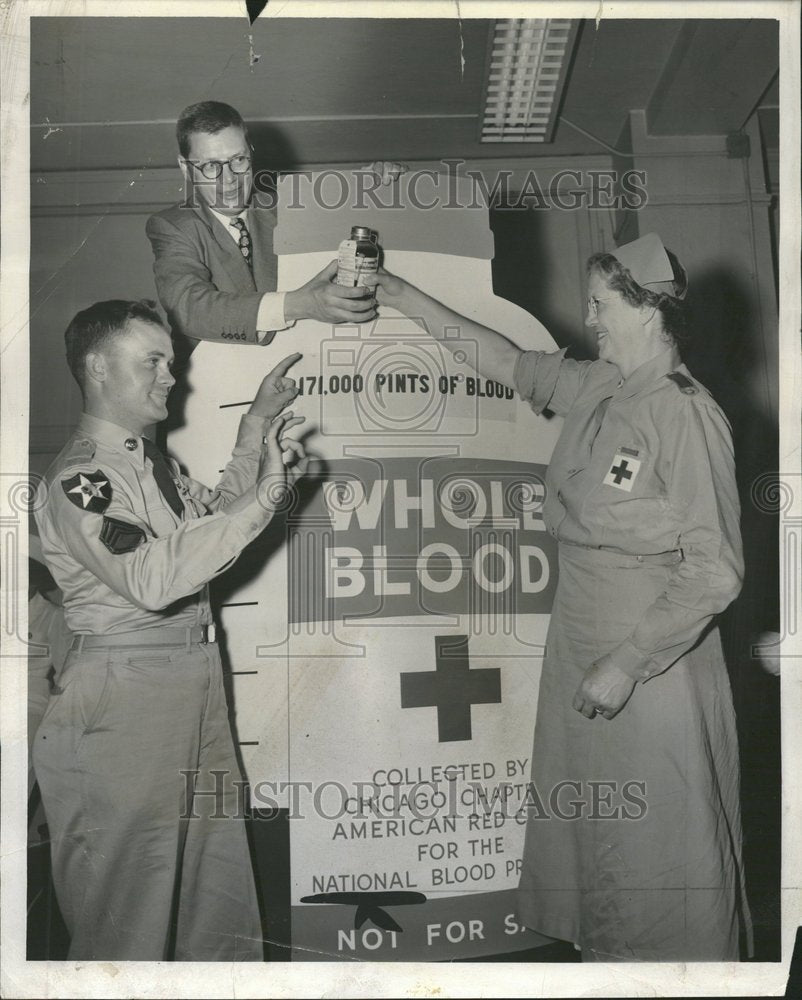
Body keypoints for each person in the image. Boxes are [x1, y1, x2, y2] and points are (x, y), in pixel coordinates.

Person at [370, 232, 752, 961]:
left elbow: (715, 571)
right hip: (580, 635)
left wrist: (628, 662)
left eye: (601, 304)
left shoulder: (684, 413)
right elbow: (506, 362)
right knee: (597, 848)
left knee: (658, 851)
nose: (590, 318)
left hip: (651, 661)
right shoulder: (604, 386)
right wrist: (404, 298)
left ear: (647, 311)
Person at [33, 298, 308, 961]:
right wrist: (268, 494)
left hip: (188, 691)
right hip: (126, 704)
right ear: (98, 368)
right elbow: (153, 578)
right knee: (125, 921)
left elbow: (213, 519)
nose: (170, 377)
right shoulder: (83, 479)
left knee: (217, 908)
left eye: (172, 363)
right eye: (152, 361)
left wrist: (257, 429)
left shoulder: (153, 471)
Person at [146, 100, 403, 348]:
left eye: (239, 160)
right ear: (185, 167)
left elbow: (348, 210)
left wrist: (379, 183)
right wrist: (299, 304)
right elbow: (189, 309)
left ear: (251, 153)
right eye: (211, 166)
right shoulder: (173, 225)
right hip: (216, 385)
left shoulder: (286, 205)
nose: (230, 180)